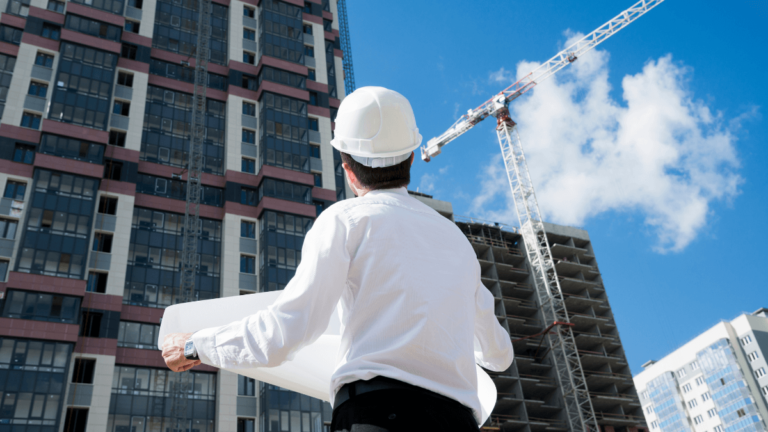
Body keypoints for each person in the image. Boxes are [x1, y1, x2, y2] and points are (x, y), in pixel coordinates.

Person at [162, 86, 514, 431]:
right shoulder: (455, 240)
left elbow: (287, 331)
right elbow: (498, 355)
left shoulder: (345, 220)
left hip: (375, 416)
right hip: (456, 422)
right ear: (411, 157)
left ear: (346, 166)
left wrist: (196, 346)